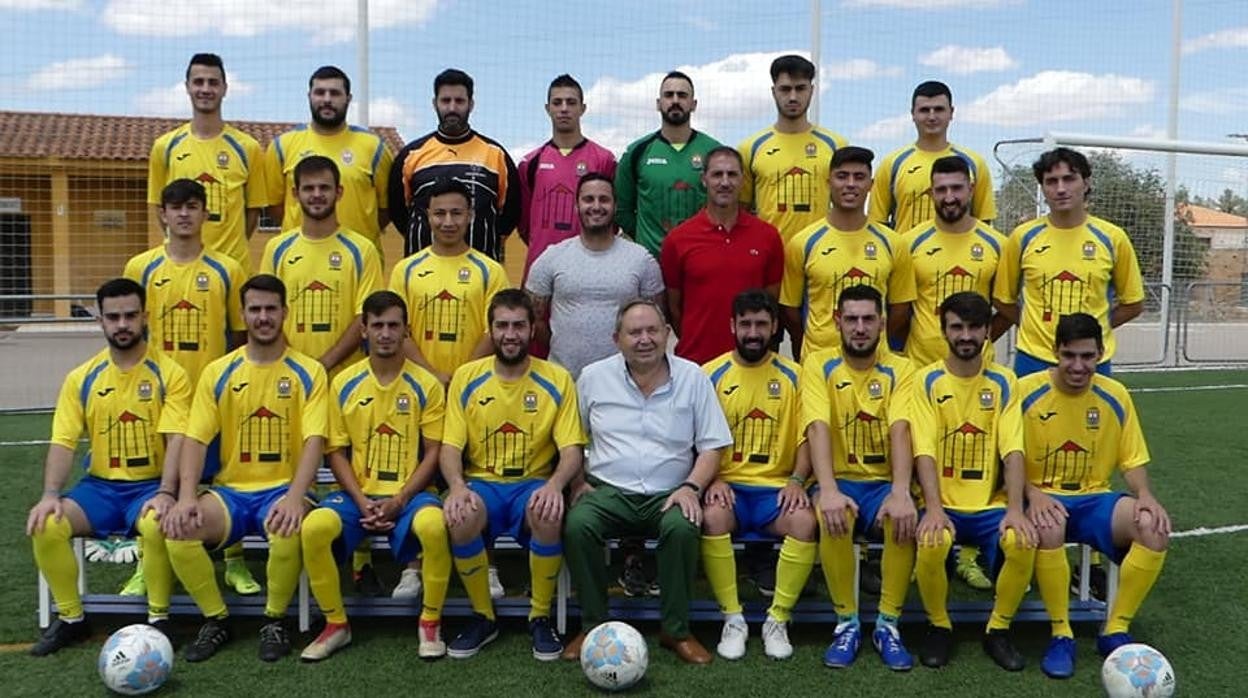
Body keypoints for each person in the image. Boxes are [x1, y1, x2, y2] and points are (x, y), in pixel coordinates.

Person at [162, 274, 328, 663]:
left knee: (287, 527)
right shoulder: (218, 372)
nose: (263, 317)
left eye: (271, 309)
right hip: (231, 493)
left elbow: (314, 442)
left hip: (283, 490)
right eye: (255, 309)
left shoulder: (309, 372)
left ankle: (274, 620)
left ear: (286, 312)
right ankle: (216, 619)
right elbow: (196, 440)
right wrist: (186, 497)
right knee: (178, 528)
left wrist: (293, 497)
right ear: (243, 314)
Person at [562, 299, 733, 665]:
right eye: (634, 332)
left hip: (671, 493)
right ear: (616, 338)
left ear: (667, 334)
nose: (645, 339)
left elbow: (712, 445)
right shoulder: (593, 377)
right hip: (607, 490)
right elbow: (571, 438)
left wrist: (691, 488)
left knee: (683, 526)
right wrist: (577, 482)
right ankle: (593, 627)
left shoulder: (694, 377)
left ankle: (676, 630)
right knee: (578, 524)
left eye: (653, 330)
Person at [27, 278, 190, 655]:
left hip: (150, 485)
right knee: (46, 524)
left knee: (155, 522)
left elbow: (176, 439)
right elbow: (64, 441)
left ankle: (159, 620)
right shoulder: (81, 378)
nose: (122, 325)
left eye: (131, 315)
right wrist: (51, 494)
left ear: (145, 316)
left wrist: (167, 492)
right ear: (100, 320)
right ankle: (72, 619)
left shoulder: (171, 374)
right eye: (113, 317)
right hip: (100, 489)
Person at [299, 291, 452, 661]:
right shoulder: (344, 383)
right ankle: (336, 625)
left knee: (434, 526)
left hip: (412, 494)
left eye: (393, 325)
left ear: (406, 331)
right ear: (363, 330)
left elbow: (434, 452)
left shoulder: (426, 385)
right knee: (314, 528)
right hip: (358, 495)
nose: (385, 333)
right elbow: (335, 450)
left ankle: (430, 622)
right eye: (377, 325)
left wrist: (399, 500)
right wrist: (361, 499)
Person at [124, 179, 257, 597]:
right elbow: (130, 333)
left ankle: (234, 563)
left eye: (193, 206)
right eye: (175, 206)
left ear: (205, 213)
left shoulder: (228, 270)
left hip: (215, 399)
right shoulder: (140, 268)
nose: (184, 214)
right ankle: (148, 563)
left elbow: (240, 337)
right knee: (155, 482)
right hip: (159, 401)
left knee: (223, 479)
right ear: (162, 213)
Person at [1020, 313, 1169, 679]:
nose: (1078, 366)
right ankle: (1061, 633)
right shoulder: (1025, 391)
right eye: (1069, 355)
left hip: (1094, 499)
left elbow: (1131, 459)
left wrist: (1145, 494)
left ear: (1101, 353)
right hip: (1041, 497)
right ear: (1055, 352)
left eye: (1087, 356)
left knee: (1152, 527)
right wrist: (1032, 493)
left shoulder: (1114, 394)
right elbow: (1007, 457)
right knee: (1050, 526)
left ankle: (1115, 628)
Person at [439, 290, 586, 661]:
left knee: (549, 510)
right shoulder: (466, 377)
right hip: (482, 482)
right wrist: (456, 486)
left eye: (519, 325)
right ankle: (483, 616)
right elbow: (451, 448)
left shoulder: (556, 378)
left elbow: (571, 450)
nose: (510, 334)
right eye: (502, 325)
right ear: (490, 330)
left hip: (533, 483)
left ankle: (539, 617)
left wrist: (555, 485)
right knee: (460, 514)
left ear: (532, 329)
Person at [908, 291, 1037, 671]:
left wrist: (1015, 510)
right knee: (932, 541)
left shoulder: (1004, 381)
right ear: (943, 329)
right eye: (957, 327)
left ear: (987, 332)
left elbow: (1013, 450)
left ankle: (998, 629)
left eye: (974, 327)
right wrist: (933, 508)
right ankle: (939, 626)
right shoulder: (926, 380)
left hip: (988, 503)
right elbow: (924, 451)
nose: (966, 336)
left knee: (1021, 539)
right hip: (941, 501)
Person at [898, 156, 1008, 592]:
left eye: (956, 188)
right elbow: (902, 309)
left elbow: (1004, 307)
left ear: (970, 190)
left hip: (976, 373)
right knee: (919, 451)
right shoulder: (909, 242)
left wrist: (975, 345)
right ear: (931, 193)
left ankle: (968, 552)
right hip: (921, 368)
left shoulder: (996, 243)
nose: (949, 197)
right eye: (940, 189)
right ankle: (920, 539)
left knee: (974, 453)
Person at [801, 285, 918, 671]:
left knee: (901, 517)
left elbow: (902, 429)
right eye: (851, 319)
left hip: (884, 481)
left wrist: (901, 491)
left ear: (883, 323)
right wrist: (829, 489)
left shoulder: (902, 368)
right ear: (837, 321)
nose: (860, 328)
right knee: (832, 515)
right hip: (840, 478)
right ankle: (846, 623)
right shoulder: (819, 365)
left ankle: (888, 623)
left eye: (869, 319)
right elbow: (817, 427)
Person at [699, 290, 815, 661]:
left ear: (775, 327)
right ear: (732, 326)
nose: (753, 332)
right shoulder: (710, 374)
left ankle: (777, 619)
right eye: (745, 324)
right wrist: (712, 479)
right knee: (712, 516)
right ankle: (732, 618)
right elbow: (696, 438)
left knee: (803, 522)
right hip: (727, 487)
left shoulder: (796, 377)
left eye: (761, 324)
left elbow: (808, 437)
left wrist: (797, 480)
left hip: (776, 489)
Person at [993, 147, 1145, 377]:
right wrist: (1033, 326)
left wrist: (1093, 330)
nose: (1061, 189)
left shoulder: (1113, 238)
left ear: (1086, 183)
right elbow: (1002, 299)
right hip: (1033, 359)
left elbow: (1133, 304)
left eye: (1069, 179)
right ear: (1043, 189)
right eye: (1051, 181)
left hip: (1091, 361)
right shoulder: (1022, 237)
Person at [780, 146, 915, 360]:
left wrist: (872, 343)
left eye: (859, 177)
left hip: (875, 365)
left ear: (870, 185)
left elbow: (900, 308)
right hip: (819, 363)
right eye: (842, 176)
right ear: (828, 182)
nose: (850, 184)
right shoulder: (803, 243)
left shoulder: (893, 243)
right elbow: (790, 310)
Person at [526, 173, 664, 379]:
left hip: (625, 383)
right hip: (565, 380)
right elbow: (532, 319)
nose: (596, 206)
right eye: (588, 199)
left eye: (604, 199)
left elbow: (657, 322)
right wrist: (561, 347)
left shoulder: (641, 259)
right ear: (576, 206)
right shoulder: (552, 257)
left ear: (615, 206)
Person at [260, 156, 383, 379]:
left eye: (324, 187)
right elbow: (267, 310)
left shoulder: (362, 249)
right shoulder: (276, 248)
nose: (317, 195)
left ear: (339, 192)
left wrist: (323, 364)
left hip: (345, 378)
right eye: (309, 188)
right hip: (288, 375)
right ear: (295, 194)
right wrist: (297, 365)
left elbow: (364, 316)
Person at [660, 147, 784, 365]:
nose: (725, 182)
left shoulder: (768, 237)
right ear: (704, 179)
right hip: (696, 364)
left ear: (743, 180)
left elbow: (771, 303)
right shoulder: (678, 239)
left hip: (750, 366)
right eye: (717, 174)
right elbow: (674, 308)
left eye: (732, 174)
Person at [148, 53, 265, 270]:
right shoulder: (165, 147)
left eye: (213, 82)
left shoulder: (248, 148)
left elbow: (253, 211)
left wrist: (228, 253)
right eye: (198, 82)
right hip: (181, 267)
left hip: (233, 267)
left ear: (224, 89)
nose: (206, 89)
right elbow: (158, 206)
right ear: (187, 87)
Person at [389, 68, 520, 261]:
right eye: (445, 101)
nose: (452, 108)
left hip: (479, 272)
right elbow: (398, 211)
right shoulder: (411, 155)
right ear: (435, 104)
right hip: (422, 273)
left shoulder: (495, 154)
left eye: (459, 101)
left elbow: (511, 212)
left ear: (471, 104)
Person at [390, 178, 508, 384]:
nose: (448, 222)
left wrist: (463, 377)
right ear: (428, 216)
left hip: (474, 383)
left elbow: (494, 331)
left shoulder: (491, 271)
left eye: (456, 213)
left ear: (470, 215)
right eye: (439, 213)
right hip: (417, 383)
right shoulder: (405, 270)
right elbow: (398, 331)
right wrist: (431, 375)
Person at [263, 66, 394, 252]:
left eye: (334, 93)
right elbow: (275, 206)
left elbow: (386, 209)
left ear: (348, 99)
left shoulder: (374, 148)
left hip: (358, 261)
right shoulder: (282, 146)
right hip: (298, 258)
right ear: (309, 96)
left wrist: (359, 234)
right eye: (320, 92)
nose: (326, 99)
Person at [517, 74, 618, 283]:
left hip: (591, 268)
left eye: (571, 102)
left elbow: (612, 219)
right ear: (548, 108)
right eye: (557, 102)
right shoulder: (530, 163)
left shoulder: (604, 159)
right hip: (541, 268)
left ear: (583, 108)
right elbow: (524, 224)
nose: (564, 108)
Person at [738, 54, 848, 242]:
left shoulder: (836, 145)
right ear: (774, 92)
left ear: (811, 91)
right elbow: (741, 210)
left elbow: (847, 207)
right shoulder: (751, 148)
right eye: (785, 89)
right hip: (770, 254)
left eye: (800, 89)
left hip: (820, 255)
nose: (793, 97)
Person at [616, 71, 721, 256]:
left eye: (682, 95)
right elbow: (621, 209)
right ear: (658, 103)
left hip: (701, 258)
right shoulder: (637, 152)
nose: (675, 100)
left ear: (694, 104)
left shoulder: (714, 151)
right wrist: (645, 238)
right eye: (668, 95)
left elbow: (724, 207)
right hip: (652, 264)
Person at [869, 81, 996, 233]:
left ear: (951, 113)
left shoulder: (974, 164)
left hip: (959, 256)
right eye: (924, 110)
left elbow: (984, 222)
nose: (932, 116)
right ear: (913, 114)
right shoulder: (891, 164)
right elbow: (877, 224)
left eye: (939, 109)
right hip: (906, 256)